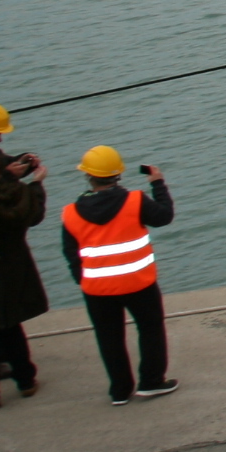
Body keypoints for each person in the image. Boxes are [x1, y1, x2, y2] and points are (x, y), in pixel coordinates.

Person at [59, 146, 175, 405]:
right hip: (138, 283)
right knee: (150, 329)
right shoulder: (135, 201)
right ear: (118, 175)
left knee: (109, 337)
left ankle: (120, 391)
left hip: (97, 290)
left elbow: (70, 252)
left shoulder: (70, 213)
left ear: (88, 176)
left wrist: (83, 279)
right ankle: (151, 382)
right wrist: (158, 184)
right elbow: (164, 217)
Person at [0, 105, 46, 405]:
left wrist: (17, 165)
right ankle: (25, 380)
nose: (0, 140)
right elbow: (24, 213)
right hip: (2, 259)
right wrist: (34, 183)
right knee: (8, 322)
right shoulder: (2, 188)